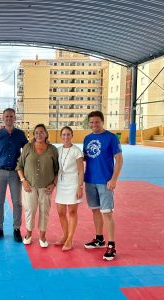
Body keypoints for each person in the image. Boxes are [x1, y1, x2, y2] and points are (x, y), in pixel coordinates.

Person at [83, 111, 123, 261]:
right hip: (90, 180)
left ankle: (111, 245)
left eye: (97, 122)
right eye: (91, 122)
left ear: (102, 122)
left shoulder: (111, 138)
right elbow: (85, 159)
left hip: (105, 181)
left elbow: (119, 160)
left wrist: (113, 179)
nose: (94, 125)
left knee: (107, 213)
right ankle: (99, 239)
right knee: (95, 211)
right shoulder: (87, 138)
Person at [0, 108, 28, 242]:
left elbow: (27, 153)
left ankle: (17, 229)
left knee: (17, 202)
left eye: (11, 116)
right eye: (7, 116)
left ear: (15, 118)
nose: (9, 118)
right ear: (3, 118)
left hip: (15, 172)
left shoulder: (21, 134)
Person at [16, 124, 59, 248]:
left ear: (46, 134)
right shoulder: (27, 147)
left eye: (41, 132)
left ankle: (42, 236)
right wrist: (23, 180)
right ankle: (28, 234)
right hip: (30, 186)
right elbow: (19, 166)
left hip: (46, 188)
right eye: (36, 132)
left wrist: (54, 183)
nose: (39, 135)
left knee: (44, 211)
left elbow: (57, 169)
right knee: (30, 210)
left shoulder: (52, 149)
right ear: (33, 135)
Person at [54, 126, 84, 251]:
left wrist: (80, 187)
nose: (66, 137)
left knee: (72, 212)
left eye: (68, 134)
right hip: (61, 184)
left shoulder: (77, 151)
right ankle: (65, 235)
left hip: (73, 184)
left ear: (72, 135)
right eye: (64, 135)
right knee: (60, 212)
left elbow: (81, 171)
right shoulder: (57, 150)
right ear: (61, 136)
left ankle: (70, 239)